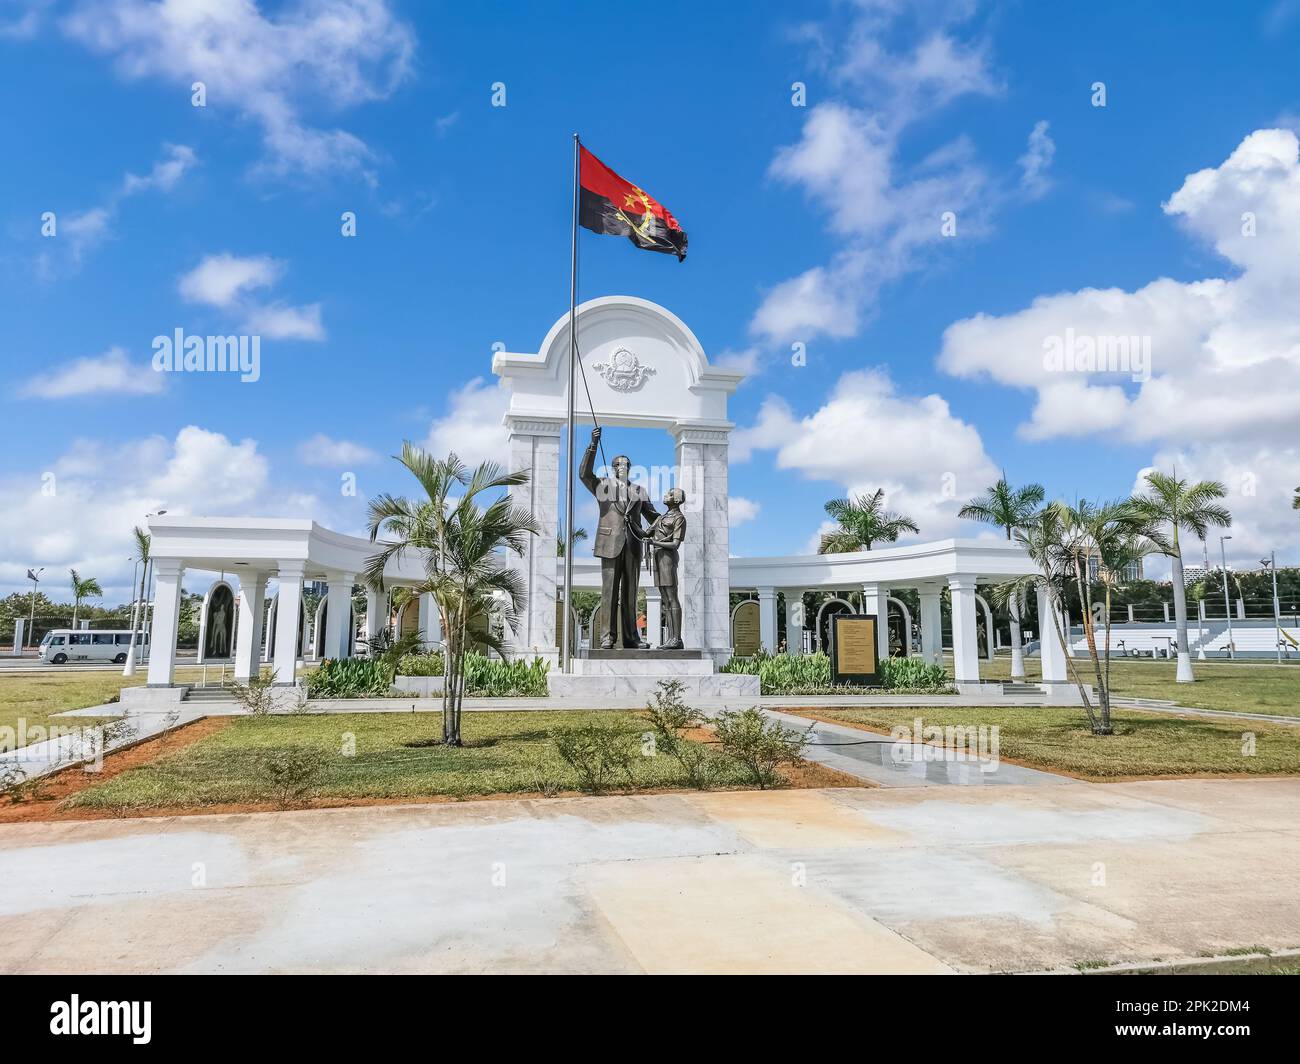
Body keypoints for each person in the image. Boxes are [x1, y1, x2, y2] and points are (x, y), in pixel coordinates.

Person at [579, 426, 659, 649]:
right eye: (619, 464)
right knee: (609, 592)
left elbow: (652, 516)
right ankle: (607, 637)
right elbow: (584, 474)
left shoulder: (639, 491)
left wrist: (670, 522)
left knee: (631, 593)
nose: (622, 467)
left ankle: (632, 638)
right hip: (609, 542)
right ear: (613, 468)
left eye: (626, 464)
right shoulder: (602, 486)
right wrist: (593, 446)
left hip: (633, 544)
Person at [647, 487, 687, 649]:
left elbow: (675, 544)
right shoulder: (660, 518)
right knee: (665, 600)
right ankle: (671, 639)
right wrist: (629, 522)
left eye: (670, 494)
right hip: (658, 558)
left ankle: (676, 639)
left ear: (676, 500)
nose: (665, 495)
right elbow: (645, 533)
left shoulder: (679, 519)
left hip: (668, 559)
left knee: (672, 598)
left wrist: (654, 543)